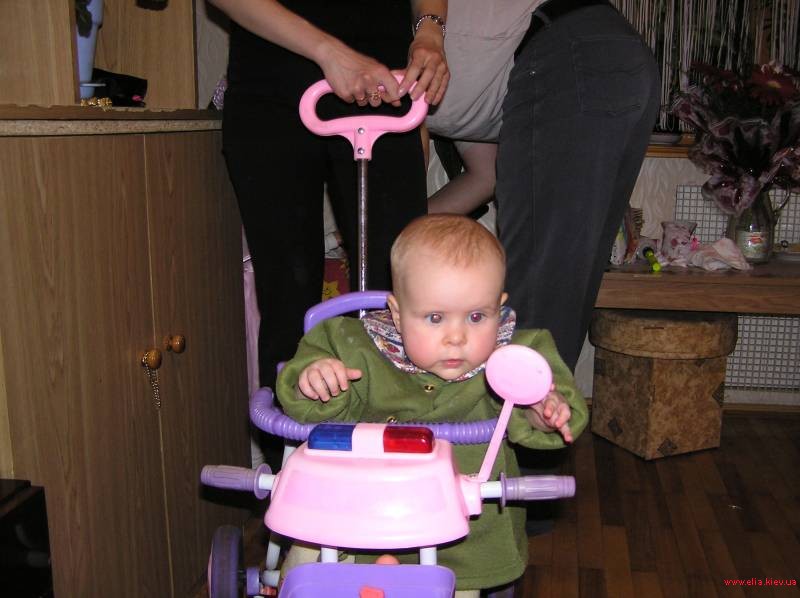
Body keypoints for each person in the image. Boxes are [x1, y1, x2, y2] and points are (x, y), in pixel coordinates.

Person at [276, 214, 588, 595]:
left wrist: (541, 409)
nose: (456, 337)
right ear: (396, 314)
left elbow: (553, 398)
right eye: (435, 318)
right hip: (356, 517)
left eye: (477, 316)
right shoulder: (352, 345)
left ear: (499, 306)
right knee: (309, 552)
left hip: (461, 538)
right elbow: (300, 391)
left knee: (458, 586)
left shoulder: (515, 356)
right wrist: (317, 380)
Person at [208, 0, 449, 395]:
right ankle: (295, 429)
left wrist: (430, 30)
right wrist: (330, 52)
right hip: (271, 87)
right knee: (288, 308)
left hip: (384, 87)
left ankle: (402, 429)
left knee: (404, 297)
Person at [425, 0, 661, 372]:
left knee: (536, 300)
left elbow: (397, 182)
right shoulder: (465, 92)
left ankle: (523, 405)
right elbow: (485, 176)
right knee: (557, 300)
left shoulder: (403, 55)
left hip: (569, 55)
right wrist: (405, 227)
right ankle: (535, 402)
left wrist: (394, 232)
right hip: (605, 53)